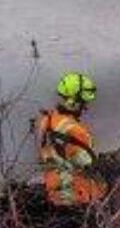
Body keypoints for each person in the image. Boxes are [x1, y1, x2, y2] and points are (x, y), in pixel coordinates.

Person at [37, 72, 107, 207]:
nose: (85, 107)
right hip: (73, 194)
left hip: (52, 187)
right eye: (84, 103)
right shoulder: (75, 130)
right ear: (74, 102)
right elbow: (87, 164)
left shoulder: (47, 119)